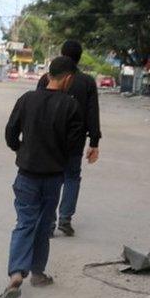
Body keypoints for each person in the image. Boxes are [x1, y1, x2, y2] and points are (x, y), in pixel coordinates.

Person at [1, 56, 86, 298]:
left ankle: (16, 274)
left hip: (26, 174)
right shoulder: (71, 106)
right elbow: (74, 146)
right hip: (53, 177)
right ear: (68, 78)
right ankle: (37, 273)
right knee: (44, 222)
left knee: (25, 222)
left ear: (49, 75)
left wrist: (21, 149)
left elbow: (10, 133)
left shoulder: (27, 99)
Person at [54, 39, 102, 237]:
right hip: (75, 140)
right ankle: (65, 218)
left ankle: (48, 223)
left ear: (62, 54)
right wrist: (94, 143)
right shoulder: (87, 82)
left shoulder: (49, 79)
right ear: (79, 58)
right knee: (72, 177)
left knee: (51, 178)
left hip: (51, 139)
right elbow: (93, 113)